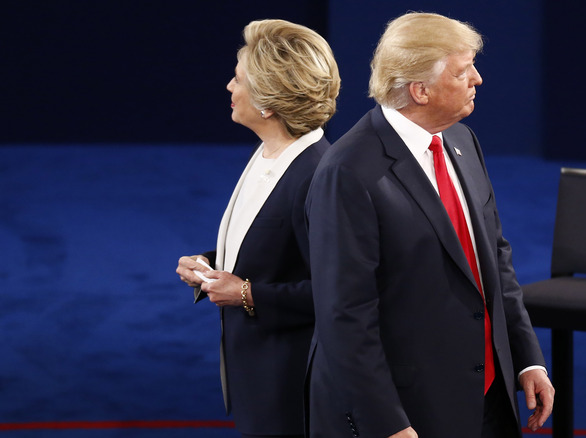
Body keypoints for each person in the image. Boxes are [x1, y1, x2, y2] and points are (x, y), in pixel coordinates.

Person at [304, 12, 554, 438]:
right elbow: (345, 315)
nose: (477, 79)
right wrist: (387, 422)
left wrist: (526, 357)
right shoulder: (348, 172)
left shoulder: (461, 140)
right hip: (411, 411)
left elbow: (493, 257)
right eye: (463, 71)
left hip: (488, 396)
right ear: (420, 90)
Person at [175, 19, 340, 438]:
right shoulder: (271, 154)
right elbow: (269, 245)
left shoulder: (319, 176)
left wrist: (245, 292)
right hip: (259, 378)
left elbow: (339, 292)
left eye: (238, 78)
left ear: (268, 102)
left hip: (293, 388)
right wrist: (210, 264)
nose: (230, 87)